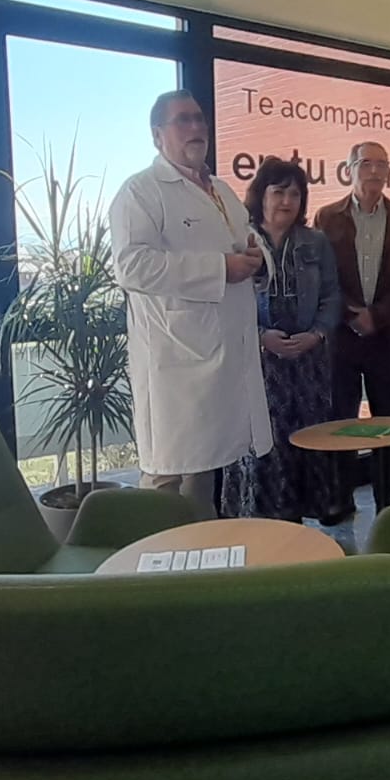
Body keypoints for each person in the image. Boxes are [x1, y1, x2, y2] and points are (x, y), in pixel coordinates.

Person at [110, 90, 271, 519]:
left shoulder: (220, 189)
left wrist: (257, 262)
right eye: (184, 120)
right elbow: (131, 267)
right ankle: (155, 574)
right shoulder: (140, 192)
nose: (197, 128)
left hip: (219, 356)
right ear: (157, 135)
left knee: (205, 469)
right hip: (174, 359)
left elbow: (249, 242)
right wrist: (220, 268)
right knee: (166, 473)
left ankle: (202, 568)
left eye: (200, 119)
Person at [220, 159, 342, 521]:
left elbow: (333, 296)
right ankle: (264, 530)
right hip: (257, 365)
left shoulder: (315, 242)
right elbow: (226, 304)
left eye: (295, 193)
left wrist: (316, 334)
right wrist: (261, 338)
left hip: (309, 365)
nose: (287, 201)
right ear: (261, 195)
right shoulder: (242, 241)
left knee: (309, 443)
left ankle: (301, 531)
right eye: (278, 191)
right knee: (264, 449)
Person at [312, 141, 390, 520]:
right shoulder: (327, 217)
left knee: (386, 423)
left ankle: (385, 503)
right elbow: (320, 277)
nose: (374, 171)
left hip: (388, 338)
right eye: (365, 163)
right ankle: (340, 498)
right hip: (341, 341)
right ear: (349, 169)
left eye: (381, 164)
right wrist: (349, 313)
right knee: (342, 422)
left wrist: (376, 316)